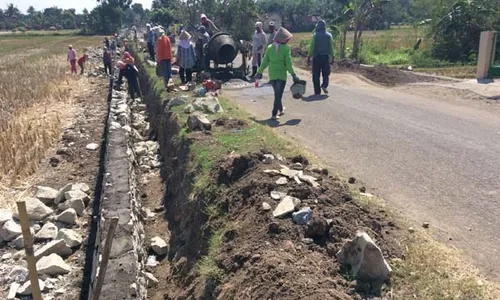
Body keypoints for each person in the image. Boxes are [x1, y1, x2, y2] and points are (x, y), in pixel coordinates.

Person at [255, 27, 300, 120]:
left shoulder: (270, 48)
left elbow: (264, 61)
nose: (288, 41)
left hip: (273, 75)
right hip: (281, 75)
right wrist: (293, 74)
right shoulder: (285, 49)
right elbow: (288, 63)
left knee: (277, 94)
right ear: (284, 40)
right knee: (278, 95)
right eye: (287, 39)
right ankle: (274, 114)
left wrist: (259, 72)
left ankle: (280, 109)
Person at [307, 20, 334, 96]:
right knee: (326, 73)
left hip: (316, 57)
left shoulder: (315, 35)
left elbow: (312, 47)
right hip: (325, 58)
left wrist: (309, 57)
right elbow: (331, 47)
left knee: (316, 75)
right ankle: (324, 85)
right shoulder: (329, 36)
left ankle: (317, 91)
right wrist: (333, 57)